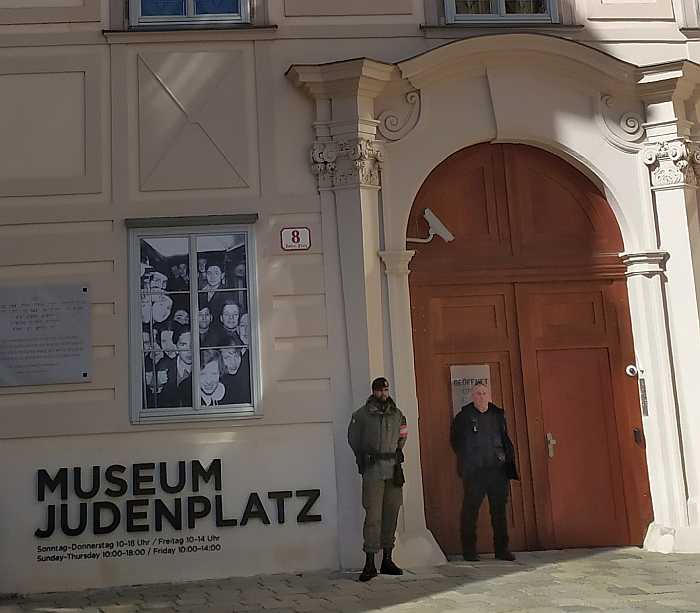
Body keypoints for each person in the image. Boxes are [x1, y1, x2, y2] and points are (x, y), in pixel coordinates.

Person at [348, 377, 408, 582]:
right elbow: (353, 438)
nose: (383, 393)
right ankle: (370, 562)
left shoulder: (397, 414)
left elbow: (403, 433)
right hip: (373, 470)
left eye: (386, 390)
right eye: (379, 390)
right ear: (373, 391)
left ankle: (387, 559)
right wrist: (363, 456)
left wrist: (398, 450)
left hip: (393, 470)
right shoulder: (362, 415)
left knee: (391, 513)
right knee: (373, 516)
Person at [450, 383, 519, 562]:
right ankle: (469, 552)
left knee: (499, 512)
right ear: (472, 397)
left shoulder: (497, 415)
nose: (481, 396)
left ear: (489, 396)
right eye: (477, 394)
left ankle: (502, 550)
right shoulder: (463, 417)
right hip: (475, 473)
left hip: (497, 471)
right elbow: (455, 441)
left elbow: (504, 438)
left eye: (484, 393)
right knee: (470, 511)